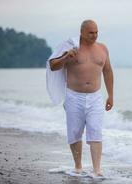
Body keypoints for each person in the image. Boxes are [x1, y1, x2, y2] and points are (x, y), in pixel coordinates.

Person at [47, 20, 114, 177]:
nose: (94, 35)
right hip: (74, 96)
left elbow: (108, 71)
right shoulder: (70, 46)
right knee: (75, 131)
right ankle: (78, 166)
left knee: (96, 130)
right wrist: (66, 58)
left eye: (96, 32)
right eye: (91, 32)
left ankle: (97, 170)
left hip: (95, 97)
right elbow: (52, 65)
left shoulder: (103, 49)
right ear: (82, 32)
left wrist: (111, 95)